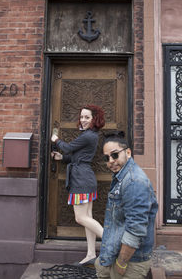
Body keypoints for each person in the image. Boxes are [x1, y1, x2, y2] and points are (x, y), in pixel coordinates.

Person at [95, 131, 158, 279]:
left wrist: (122, 263)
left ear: (128, 153)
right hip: (115, 252)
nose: (111, 160)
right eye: (107, 157)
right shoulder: (122, 177)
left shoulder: (134, 182)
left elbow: (135, 228)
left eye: (115, 155)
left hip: (131, 260)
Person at [51, 104, 105, 266]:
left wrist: (56, 140)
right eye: (81, 117)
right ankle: (90, 254)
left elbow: (68, 147)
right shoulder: (90, 135)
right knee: (87, 217)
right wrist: (63, 158)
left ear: (94, 119)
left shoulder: (88, 136)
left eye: (87, 117)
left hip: (81, 180)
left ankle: (112, 242)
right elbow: (76, 156)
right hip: (85, 178)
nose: (83, 120)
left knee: (80, 218)